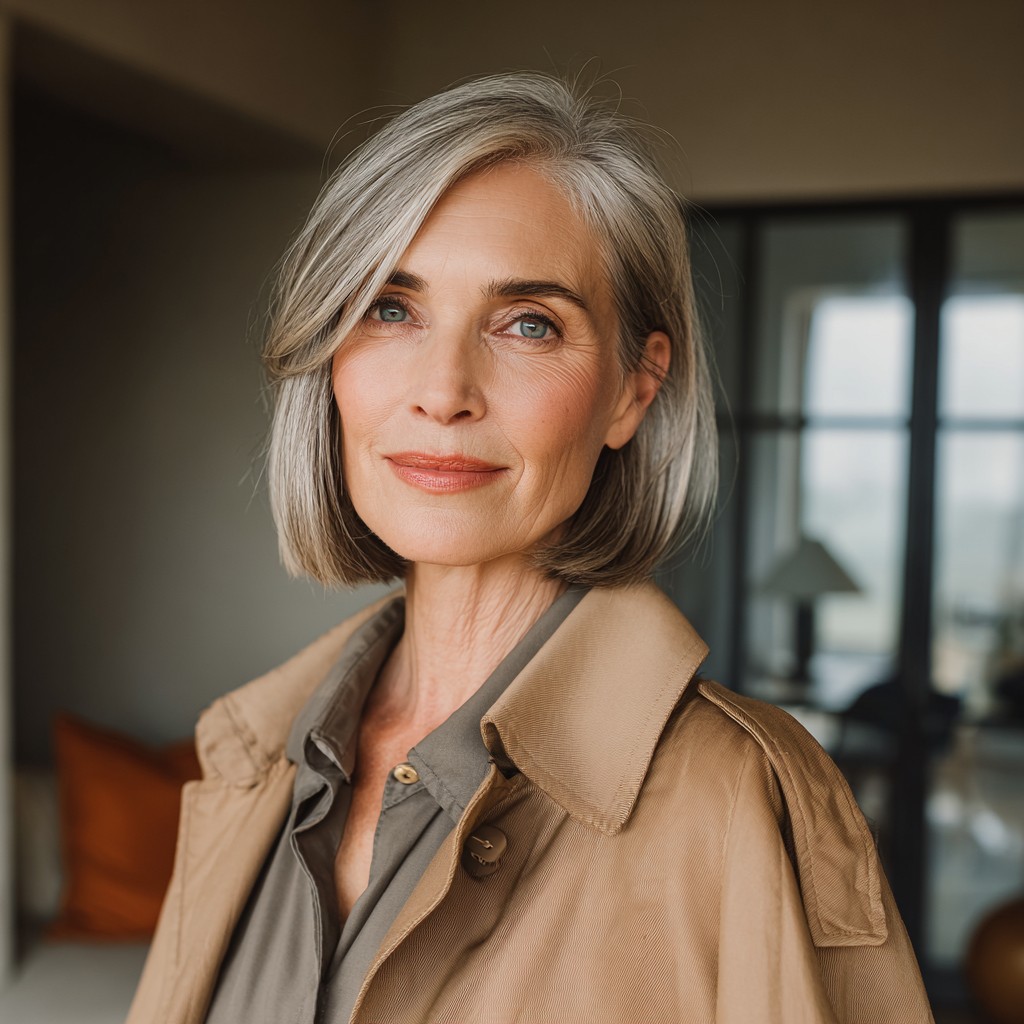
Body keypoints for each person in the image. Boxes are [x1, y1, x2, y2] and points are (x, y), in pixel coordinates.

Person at [127, 72, 934, 1024]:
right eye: (391, 307)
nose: (444, 391)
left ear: (634, 390)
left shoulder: (738, 800)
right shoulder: (253, 762)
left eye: (528, 324)